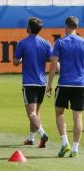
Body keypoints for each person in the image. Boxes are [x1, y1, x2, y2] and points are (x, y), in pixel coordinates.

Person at [46, 16, 84, 157]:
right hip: (80, 84)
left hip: (64, 84)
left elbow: (53, 65)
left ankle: (64, 143)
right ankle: (75, 148)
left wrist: (49, 84)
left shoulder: (60, 42)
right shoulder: (83, 42)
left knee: (59, 113)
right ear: (76, 27)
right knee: (78, 117)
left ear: (66, 27)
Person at [13, 17, 51, 148]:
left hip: (29, 83)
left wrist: (24, 58)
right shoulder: (46, 43)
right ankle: (31, 138)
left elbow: (15, 62)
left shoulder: (22, 43)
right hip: (42, 82)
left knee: (31, 113)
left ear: (28, 27)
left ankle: (43, 133)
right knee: (36, 112)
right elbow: (52, 60)